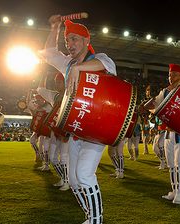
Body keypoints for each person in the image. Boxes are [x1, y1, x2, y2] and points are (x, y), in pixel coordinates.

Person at [39, 15, 117, 224]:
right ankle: (90, 215)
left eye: (74, 39)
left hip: (96, 131)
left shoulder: (100, 59)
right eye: (67, 41)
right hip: (76, 129)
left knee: (83, 174)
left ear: (86, 41)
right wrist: (55, 28)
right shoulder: (67, 64)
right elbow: (48, 53)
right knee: (73, 181)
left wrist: (78, 68)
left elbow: (105, 66)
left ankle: (96, 220)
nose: (70, 44)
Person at [141, 64, 180, 205]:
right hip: (168, 134)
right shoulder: (165, 91)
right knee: (171, 165)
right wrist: (147, 103)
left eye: (175, 74)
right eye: (170, 75)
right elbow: (153, 105)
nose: (171, 78)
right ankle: (174, 191)